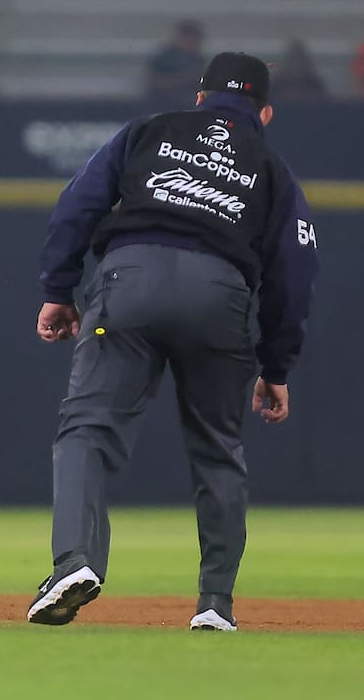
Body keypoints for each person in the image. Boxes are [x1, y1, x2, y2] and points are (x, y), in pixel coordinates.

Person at [29, 53, 318, 631]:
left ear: (200, 98)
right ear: (264, 111)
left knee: (87, 430)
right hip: (220, 298)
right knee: (218, 448)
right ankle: (215, 604)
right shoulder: (272, 168)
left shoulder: (149, 130)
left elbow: (77, 205)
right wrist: (276, 365)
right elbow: (296, 271)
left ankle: (74, 564)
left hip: (129, 282)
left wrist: (59, 289)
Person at [145, 19, 206, 107]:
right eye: (187, 39)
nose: (190, 44)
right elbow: (154, 82)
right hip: (163, 101)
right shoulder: (164, 58)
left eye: (193, 40)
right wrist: (182, 78)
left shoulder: (198, 60)